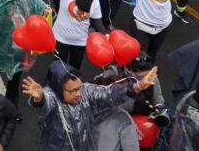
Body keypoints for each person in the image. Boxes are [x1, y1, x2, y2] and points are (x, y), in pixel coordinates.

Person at [21, 60, 159, 151]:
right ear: (58, 89)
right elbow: (46, 103)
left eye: (79, 87)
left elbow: (110, 93)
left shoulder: (86, 91)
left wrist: (137, 86)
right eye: (72, 91)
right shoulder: (52, 98)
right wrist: (39, 98)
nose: (78, 93)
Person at [52, 0, 108, 68]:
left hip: (80, 40)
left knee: (75, 69)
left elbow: (96, 20)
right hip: (61, 37)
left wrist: (105, 34)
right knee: (58, 67)